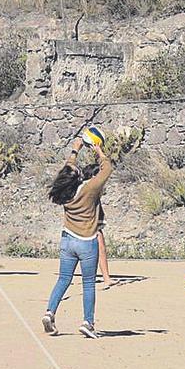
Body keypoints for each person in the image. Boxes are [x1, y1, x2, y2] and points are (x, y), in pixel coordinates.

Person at [41, 135, 114, 339]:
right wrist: (98, 150)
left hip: (67, 240)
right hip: (86, 241)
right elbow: (107, 169)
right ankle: (88, 323)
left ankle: (50, 312)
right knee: (88, 283)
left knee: (63, 279)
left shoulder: (65, 190)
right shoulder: (89, 189)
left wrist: (75, 150)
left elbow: (68, 170)